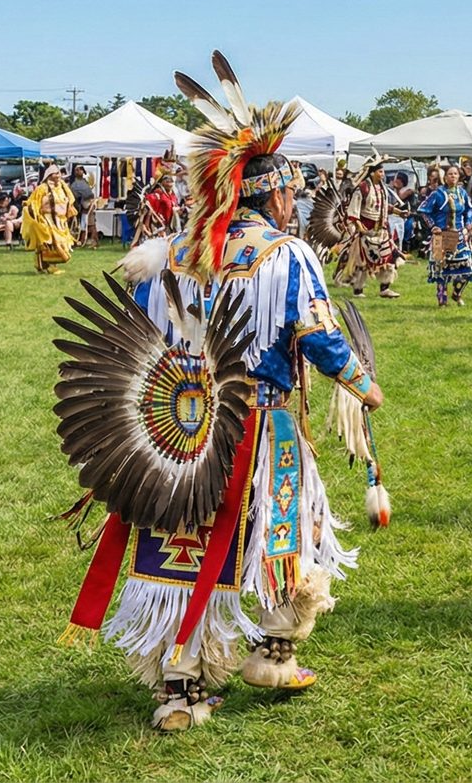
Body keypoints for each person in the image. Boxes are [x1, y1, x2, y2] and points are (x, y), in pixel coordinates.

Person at [60, 55, 388, 732]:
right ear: (274, 195)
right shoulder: (286, 254)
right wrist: (363, 385)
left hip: (176, 431)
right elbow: (321, 337)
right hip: (259, 427)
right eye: (290, 194)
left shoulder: (171, 253)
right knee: (284, 534)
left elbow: (144, 336)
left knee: (179, 541)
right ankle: (274, 648)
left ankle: (180, 684)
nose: (293, 204)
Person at [336, 157, 403, 299]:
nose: (383, 174)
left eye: (383, 172)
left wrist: (399, 212)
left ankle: (385, 288)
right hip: (367, 231)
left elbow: (383, 207)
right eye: (380, 171)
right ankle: (358, 290)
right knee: (363, 263)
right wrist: (361, 228)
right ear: (372, 173)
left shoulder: (382, 188)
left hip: (382, 231)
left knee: (388, 259)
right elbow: (353, 211)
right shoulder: (363, 188)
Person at [418, 164, 472, 307]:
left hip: (459, 235)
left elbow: (469, 210)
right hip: (441, 236)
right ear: (444, 177)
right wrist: (433, 226)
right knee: (440, 269)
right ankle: (442, 299)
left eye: (455, 174)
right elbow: (423, 210)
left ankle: (457, 293)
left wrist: (469, 223)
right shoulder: (437, 193)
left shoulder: (462, 193)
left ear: (459, 177)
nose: (453, 176)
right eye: (450, 174)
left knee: (467, 266)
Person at [23, 164, 77, 274]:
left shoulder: (63, 187)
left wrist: (70, 212)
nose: (58, 175)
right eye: (55, 173)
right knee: (51, 243)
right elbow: (34, 202)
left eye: (59, 173)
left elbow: (69, 200)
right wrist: (36, 216)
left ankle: (42, 266)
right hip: (47, 219)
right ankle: (50, 266)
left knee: (60, 243)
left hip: (60, 221)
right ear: (49, 175)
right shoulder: (42, 188)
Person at [139, 172, 180, 244]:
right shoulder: (157, 194)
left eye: (171, 182)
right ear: (162, 183)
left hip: (170, 225)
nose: (170, 184)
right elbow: (149, 208)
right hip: (159, 225)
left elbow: (175, 206)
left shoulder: (173, 195)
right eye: (167, 181)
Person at [69, 167, 97, 245]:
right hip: (82, 206)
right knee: (84, 224)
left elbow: (89, 195)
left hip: (87, 205)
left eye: (80, 170)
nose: (79, 171)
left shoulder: (81, 183)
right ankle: (81, 240)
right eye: (77, 170)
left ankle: (92, 241)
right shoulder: (77, 184)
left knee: (89, 224)